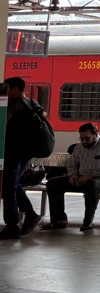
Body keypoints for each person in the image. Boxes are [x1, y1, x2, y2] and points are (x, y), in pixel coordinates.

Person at [41, 123, 100, 232]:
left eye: (87, 138)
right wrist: (73, 175)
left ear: (95, 135)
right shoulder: (79, 147)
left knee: (92, 185)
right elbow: (72, 164)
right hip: (81, 177)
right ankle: (58, 220)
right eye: (81, 138)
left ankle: (87, 222)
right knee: (53, 183)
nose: (84, 141)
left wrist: (90, 176)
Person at [1, 77, 42, 238]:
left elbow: (7, 129)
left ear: (16, 89)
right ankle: (29, 215)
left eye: (7, 89)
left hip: (14, 153)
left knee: (8, 188)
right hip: (24, 154)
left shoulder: (16, 106)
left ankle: (13, 225)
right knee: (11, 186)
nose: (5, 92)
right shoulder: (32, 103)